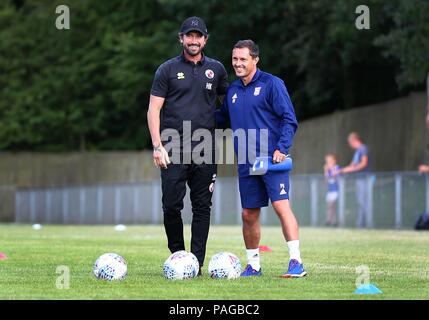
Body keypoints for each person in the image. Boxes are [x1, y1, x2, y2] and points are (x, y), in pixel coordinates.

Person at [216, 40, 306, 278]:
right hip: (246, 162)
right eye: (235, 59)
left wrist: (281, 148)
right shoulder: (233, 90)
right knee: (248, 214)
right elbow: (220, 119)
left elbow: (289, 118)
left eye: (243, 59)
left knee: (280, 206)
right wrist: (190, 115)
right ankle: (253, 266)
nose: (238, 64)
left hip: (271, 160)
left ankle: (296, 263)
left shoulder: (272, 84)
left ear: (255, 59)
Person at [147, 16, 229, 274]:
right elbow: (153, 110)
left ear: (205, 39)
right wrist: (157, 146)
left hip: (206, 148)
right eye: (189, 36)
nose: (193, 40)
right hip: (172, 148)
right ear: (181, 38)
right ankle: (179, 257)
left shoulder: (217, 69)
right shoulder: (167, 69)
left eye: (198, 36)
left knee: (202, 207)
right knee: (171, 205)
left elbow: (229, 105)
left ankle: (197, 263)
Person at [337, 132, 372, 228]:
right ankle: (360, 224)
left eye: (350, 143)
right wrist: (342, 170)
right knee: (360, 201)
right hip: (359, 179)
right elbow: (352, 165)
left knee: (365, 202)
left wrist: (351, 170)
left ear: (354, 140)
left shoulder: (363, 149)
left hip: (364, 179)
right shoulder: (357, 152)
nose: (350, 145)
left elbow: (363, 164)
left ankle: (366, 224)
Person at [324, 154, 340, 227]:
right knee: (330, 206)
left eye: (329, 161)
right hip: (330, 191)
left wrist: (331, 168)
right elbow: (326, 180)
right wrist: (326, 171)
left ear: (334, 161)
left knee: (333, 206)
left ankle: (333, 221)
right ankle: (330, 221)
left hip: (336, 190)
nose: (328, 163)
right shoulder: (327, 170)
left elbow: (336, 176)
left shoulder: (337, 167)